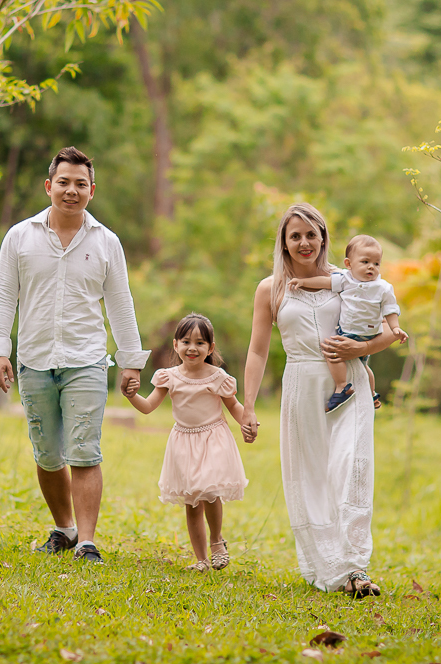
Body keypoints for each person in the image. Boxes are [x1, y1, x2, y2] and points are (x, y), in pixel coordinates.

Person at [0, 146, 148, 566]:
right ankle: (65, 529)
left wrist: (130, 360)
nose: (71, 191)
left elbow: (120, 303)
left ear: (92, 190)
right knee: (47, 454)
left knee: (84, 451)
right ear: (49, 186)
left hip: (87, 360)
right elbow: (3, 298)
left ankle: (87, 541)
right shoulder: (19, 237)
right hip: (33, 359)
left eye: (80, 184)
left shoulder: (107, 242)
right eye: (64, 182)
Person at [239, 203, 397, 597]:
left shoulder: (349, 278)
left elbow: (388, 333)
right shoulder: (269, 288)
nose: (305, 242)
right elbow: (257, 352)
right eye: (296, 236)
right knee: (311, 477)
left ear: (324, 238)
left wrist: (354, 351)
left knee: (352, 467)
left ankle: (357, 567)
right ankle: (331, 569)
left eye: (312, 234)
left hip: (349, 383)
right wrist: (249, 405)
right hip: (301, 386)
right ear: (284, 242)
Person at [122, 313, 248, 572]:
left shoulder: (217, 377)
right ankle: (201, 560)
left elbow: (233, 405)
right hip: (183, 442)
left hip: (213, 438)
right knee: (191, 502)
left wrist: (247, 421)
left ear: (210, 348)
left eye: (201, 343)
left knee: (210, 492)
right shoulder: (168, 377)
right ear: (176, 344)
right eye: (186, 341)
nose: (193, 348)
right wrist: (131, 396)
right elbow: (147, 407)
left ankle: (216, 541)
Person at [287, 234, 408, 413]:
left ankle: (342, 386)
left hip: (366, 334)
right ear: (349, 264)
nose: (371, 267)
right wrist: (304, 282)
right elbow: (325, 282)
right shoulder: (346, 279)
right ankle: (372, 394)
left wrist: (395, 328)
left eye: (376, 263)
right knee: (363, 366)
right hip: (349, 330)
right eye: (365, 262)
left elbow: (390, 309)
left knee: (332, 353)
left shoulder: (383, 287)